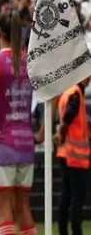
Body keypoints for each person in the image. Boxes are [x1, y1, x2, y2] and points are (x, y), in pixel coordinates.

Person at [0, 10, 37, 235]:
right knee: (23, 209)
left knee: (4, 214)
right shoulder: (28, 61)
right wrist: (39, 131)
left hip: (2, 143)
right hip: (25, 143)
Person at [55, 77, 91, 235]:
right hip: (75, 156)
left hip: (65, 153)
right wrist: (61, 133)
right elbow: (68, 117)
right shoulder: (75, 93)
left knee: (66, 196)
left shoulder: (68, 91)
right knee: (77, 199)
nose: (89, 79)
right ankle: (76, 231)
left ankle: (63, 231)